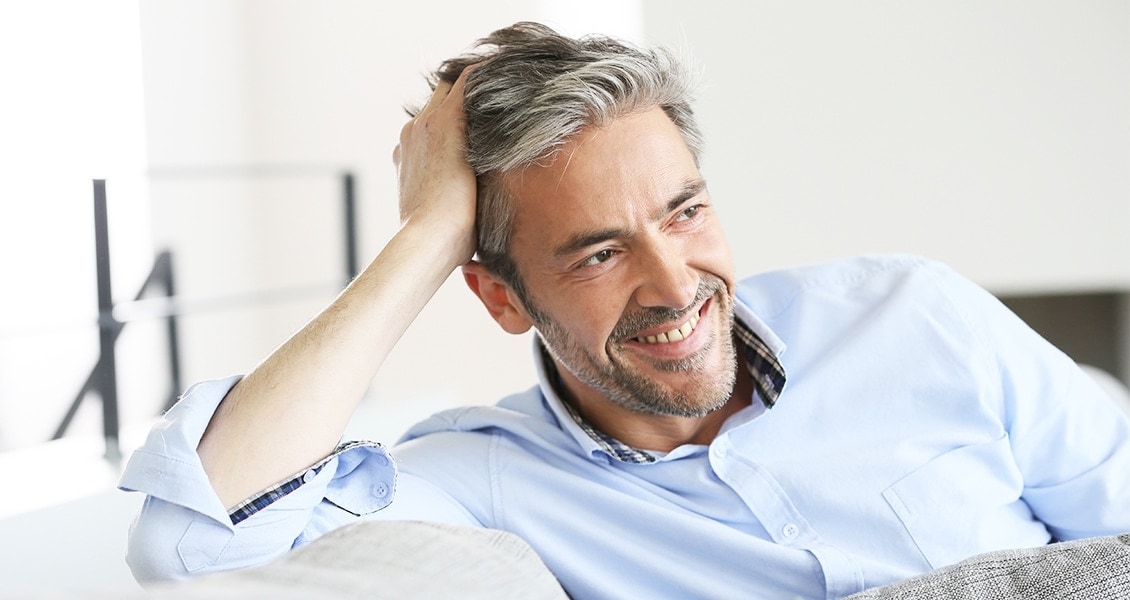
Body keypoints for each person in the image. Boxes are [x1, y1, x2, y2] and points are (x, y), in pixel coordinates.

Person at [120, 22, 1130, 598]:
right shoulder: (489, 475)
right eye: (598, 252)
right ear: (499, 298)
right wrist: (427, 236)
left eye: (683, 212)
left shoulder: (914, 316)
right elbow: (196, 544)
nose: (673, 285)